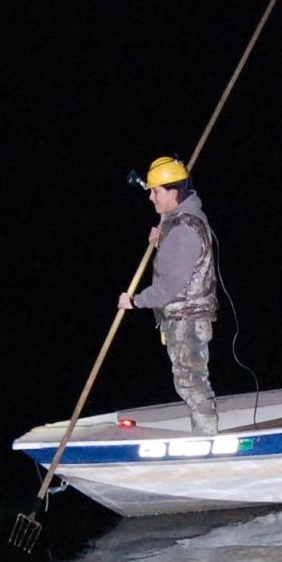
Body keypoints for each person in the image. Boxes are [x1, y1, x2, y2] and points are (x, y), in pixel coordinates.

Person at [118, 157, 218, 434]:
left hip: (187, 318)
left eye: (156, 192)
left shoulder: (183, 229)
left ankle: (207, 437)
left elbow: (167, 288)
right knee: (189, 378)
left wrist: (134, 301)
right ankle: (204, 432)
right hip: (185, 316)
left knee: (190, 381)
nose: (151, 198)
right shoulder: (183, 220)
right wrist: (163, 239)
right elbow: (184, 259)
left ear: (174, 193)